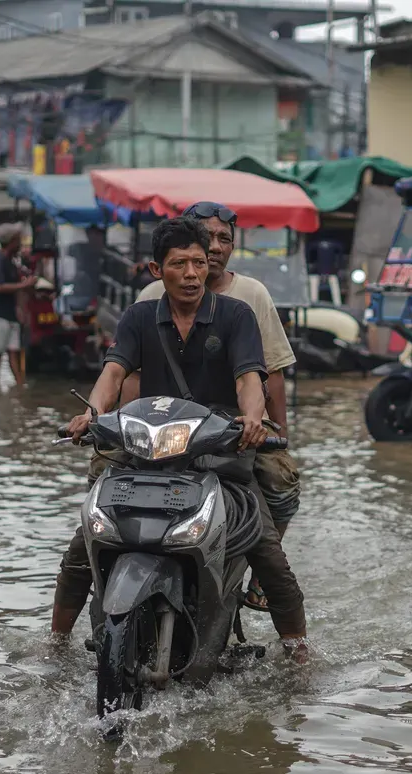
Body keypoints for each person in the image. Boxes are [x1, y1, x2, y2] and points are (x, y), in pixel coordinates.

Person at [54, 217, 309, 659]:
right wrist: (91, 414)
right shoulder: (138, 316)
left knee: (266, 550)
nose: (191, 274)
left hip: (220, 448)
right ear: (158, 270)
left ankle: (298, 651)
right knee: (84, 545)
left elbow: (250, 378)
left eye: (198, 263)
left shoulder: (236, 315)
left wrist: (253, 420)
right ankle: (54, 643)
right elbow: (113, 373)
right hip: (149, 449)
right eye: (179, 264)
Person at [121, 202, 301, 613]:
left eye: (223, 240)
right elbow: (126, 372)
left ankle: (283, 619)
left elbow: (265, 373)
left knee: (277, 492)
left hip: (229, 434)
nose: (214, 248)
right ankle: (61, 632)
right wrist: (116, 424)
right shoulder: (147, 303)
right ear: (161, 268)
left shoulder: (247, 301)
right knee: (98, 498)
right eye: (206, 239)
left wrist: (273, 429)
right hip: (159, 434)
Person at [0, 223, 36, 394]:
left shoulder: (11, 261)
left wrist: (20, 309)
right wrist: (24, 285)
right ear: (12, 241)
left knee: (14, 350)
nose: (20, 243)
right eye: (18, 240)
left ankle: (19, 384)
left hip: (10, 313)